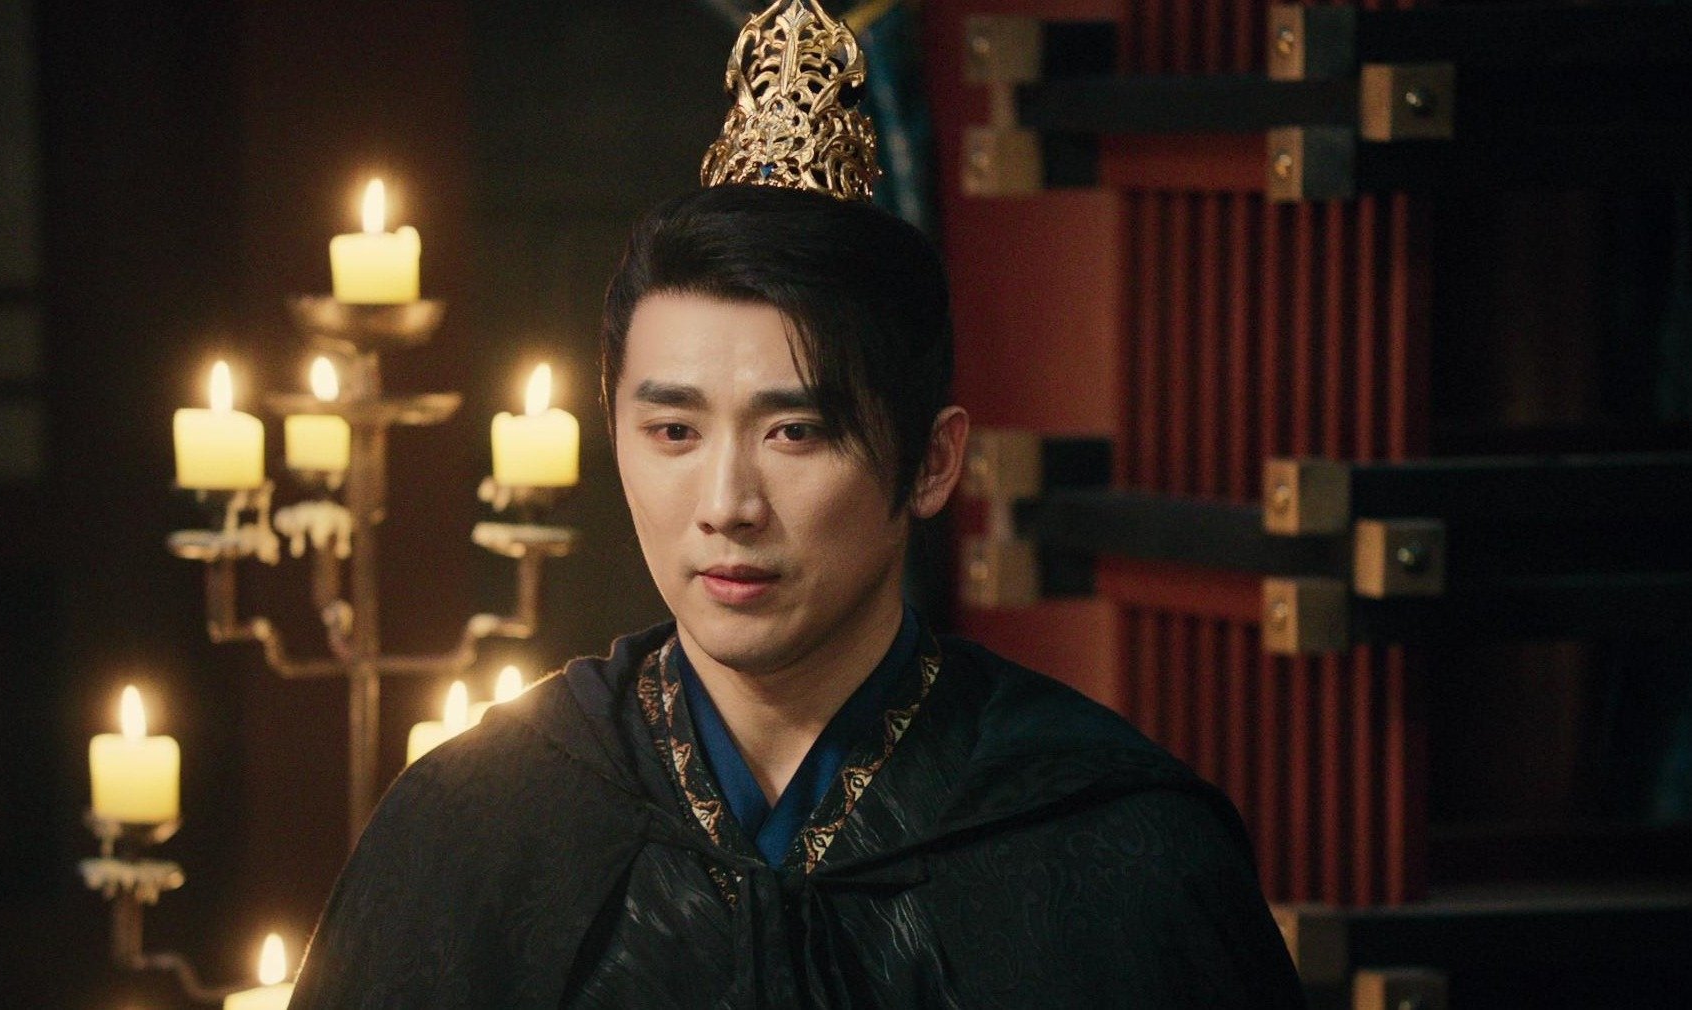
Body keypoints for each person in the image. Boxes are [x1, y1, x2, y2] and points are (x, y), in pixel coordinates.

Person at [289, 2, 1305, 1006]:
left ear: (932, 462)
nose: (726, 504)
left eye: (796, 432)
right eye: (674, 431)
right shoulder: (481, 822)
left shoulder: (1104, 838)